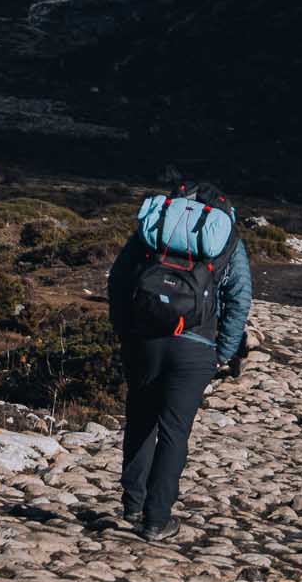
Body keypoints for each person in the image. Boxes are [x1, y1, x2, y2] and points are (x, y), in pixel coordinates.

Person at [105, 178, 252, 543]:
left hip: (144, 341)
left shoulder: (155, 231)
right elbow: (239, 298)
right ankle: (156, 521)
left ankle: (132, 504)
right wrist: (224, 351)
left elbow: (118, 281)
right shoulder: (226, 241)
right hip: (195, 346)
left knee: (140, 418)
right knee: (174, 431)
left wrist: (125, 330)